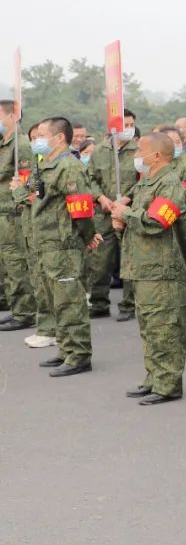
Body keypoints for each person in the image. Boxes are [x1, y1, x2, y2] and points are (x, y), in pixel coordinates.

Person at [111, 131, 186, 405]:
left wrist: (126, 214)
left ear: (155, 156)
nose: (136, 157)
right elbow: (132, 215)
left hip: (163, 271)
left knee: (164, 328)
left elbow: (157, 222)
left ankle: (167, 383)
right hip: (144, 269)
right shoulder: (146, 183)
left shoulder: (170, 184)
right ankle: (154, 377)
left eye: (139, 151)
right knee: (149, 327)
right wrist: (121, 218)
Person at [25, 118, 102, 376]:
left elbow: (80, 207)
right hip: (47, 244)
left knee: (70, 301)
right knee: (56, 300)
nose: (38, 140)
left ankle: (79, 354)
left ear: (59, 138)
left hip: (63, 245)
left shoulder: (70, 166)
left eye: (43, 135)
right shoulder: (47, 165)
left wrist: (88, 235)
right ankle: (66, 349)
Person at [86, 108, 139, 321]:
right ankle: (99, 302)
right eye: (123, 124)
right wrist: (100, 197)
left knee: (129, 259)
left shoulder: (139, 150)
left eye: (131, 124)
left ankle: (129, 304)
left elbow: (145, 179)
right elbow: (89, 178)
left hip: (129, 212)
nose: (127, 129)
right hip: (103, 212)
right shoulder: (99, 151)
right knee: (99, 260)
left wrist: (125, 200)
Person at [17, 122, 57, 350]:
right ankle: (47, 327)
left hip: (49, 231)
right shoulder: (39, 163)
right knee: (39, 280)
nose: (36, 142)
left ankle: (50, 329)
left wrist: (20, 192)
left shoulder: (57, 166)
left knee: (47, 284)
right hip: (33, 227)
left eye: (40, 137)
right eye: (34, 138)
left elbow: (37, 197)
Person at [0, 100, 37, 332]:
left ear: (13, 116)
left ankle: (24, 312)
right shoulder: (4, 143)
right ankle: (14, 305)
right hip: (2, 211)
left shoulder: (20, 145)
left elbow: (26, 179)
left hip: (13, 212)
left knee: (15, 262)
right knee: (6, 262)